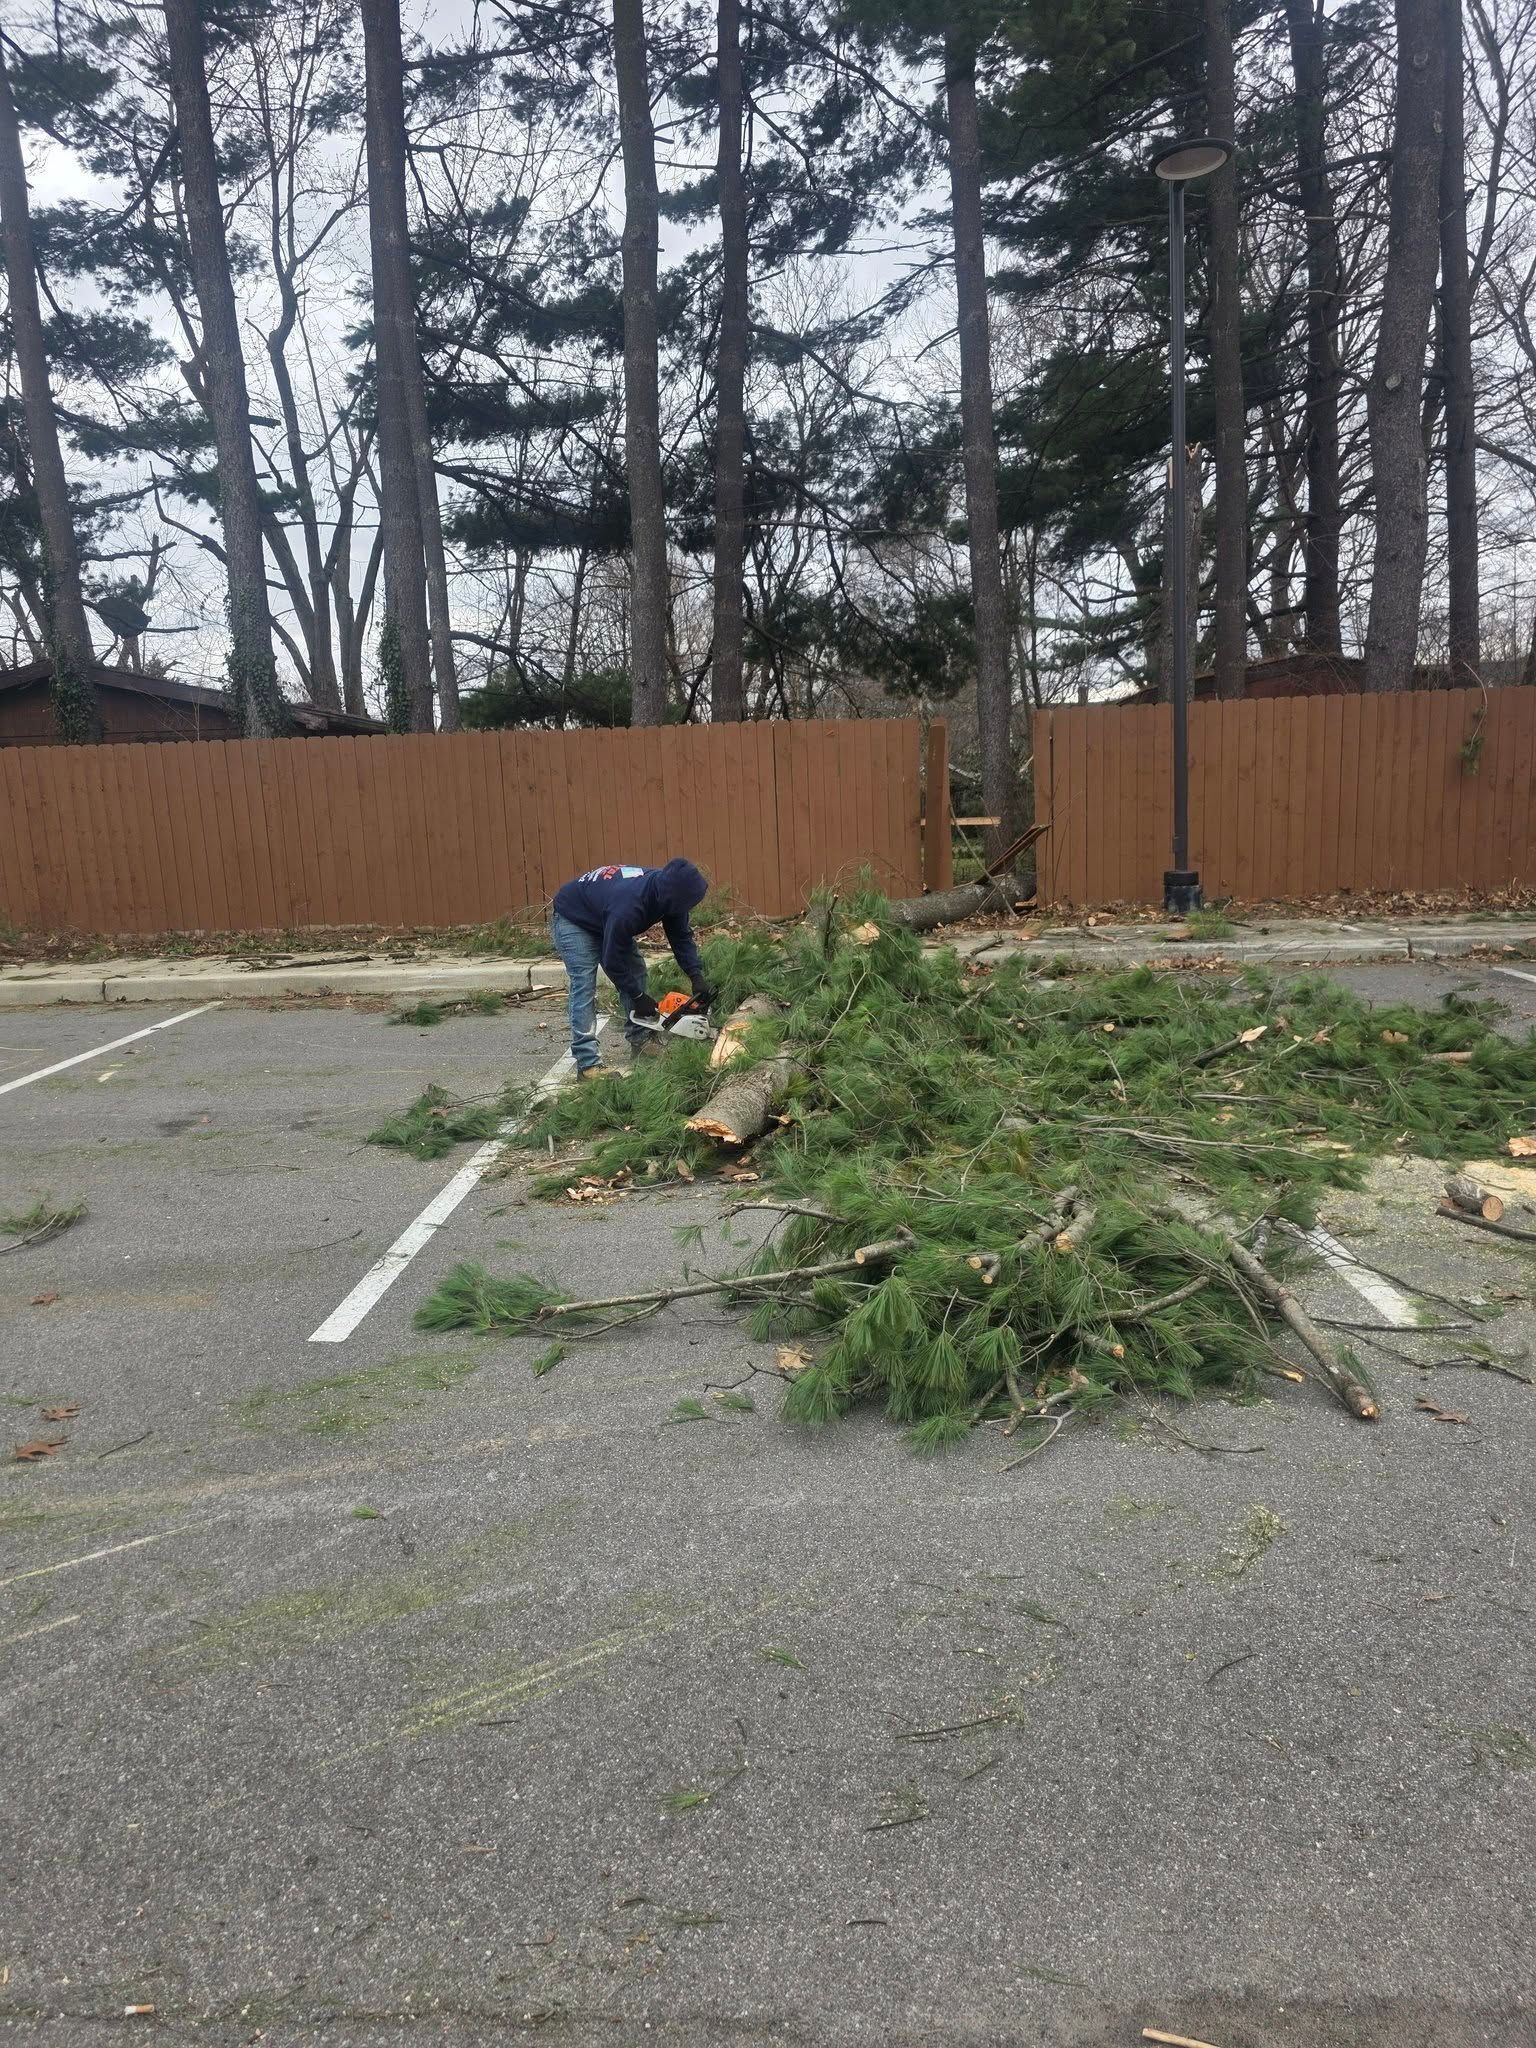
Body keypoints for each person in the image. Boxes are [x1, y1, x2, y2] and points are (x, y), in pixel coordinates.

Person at [550, 859, 715, 1077]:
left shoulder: (669, 891)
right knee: (584, 984)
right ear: (674, 898)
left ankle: (641, 1041)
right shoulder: (631, 905)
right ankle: (588, 1064)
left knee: (636, 969)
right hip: (574, 918)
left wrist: (696, 975)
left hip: (605, 913)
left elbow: (680, 936)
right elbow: (611, 960)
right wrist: (638, 996)